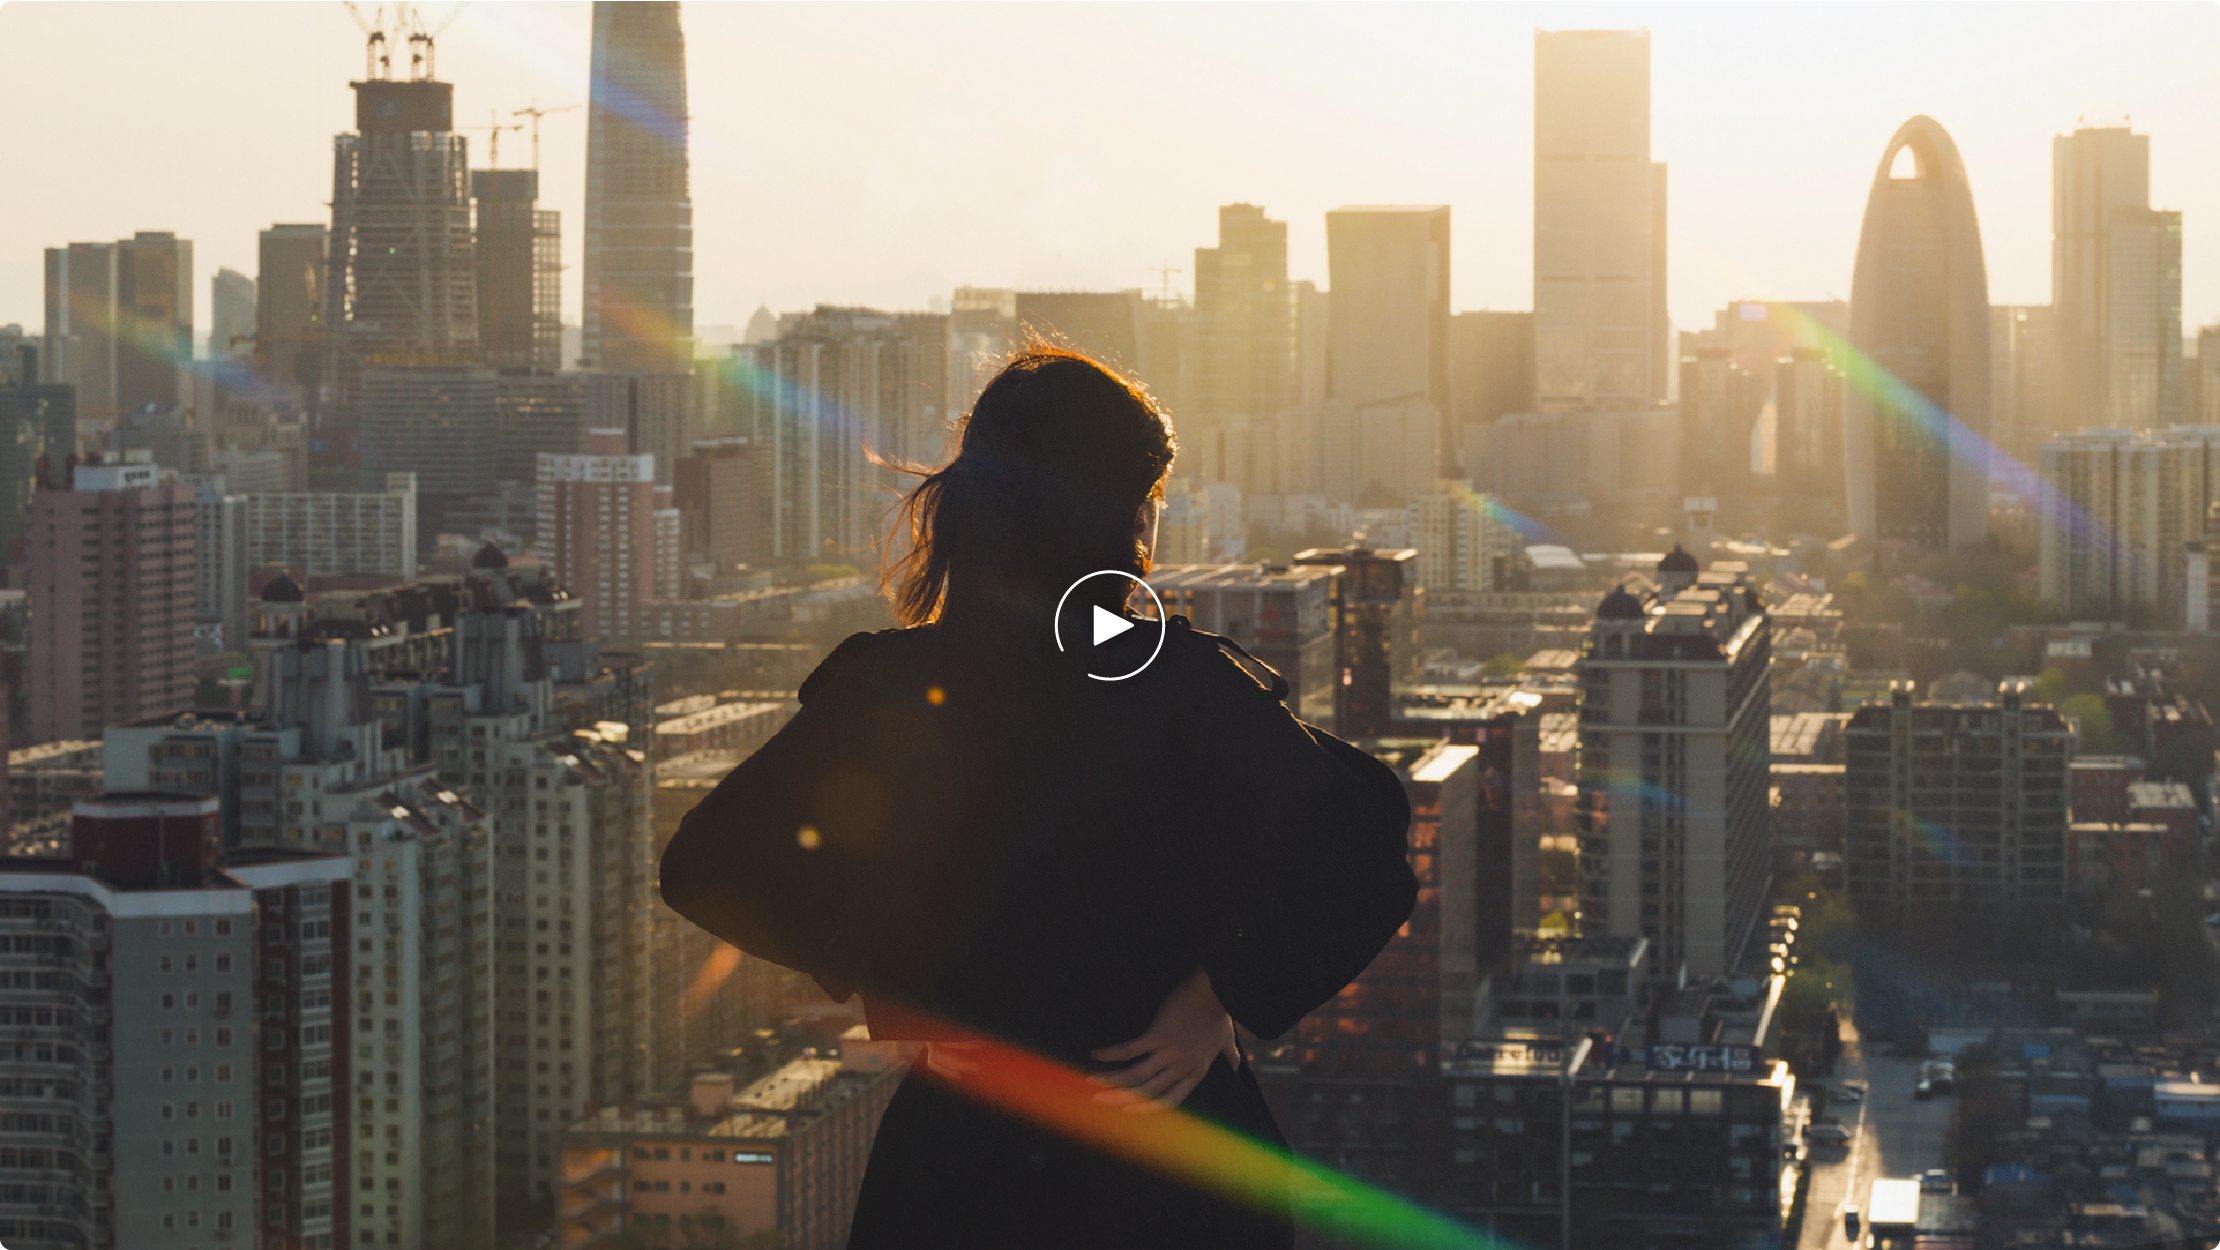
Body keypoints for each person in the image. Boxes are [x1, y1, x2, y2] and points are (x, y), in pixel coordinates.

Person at [658, 347, 1417, 1249]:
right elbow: (1368, 840)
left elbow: (709, 862)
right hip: (1171, 1158)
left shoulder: (891, 690)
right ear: (1123, 514)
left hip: (965, 1168)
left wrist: (896, 981)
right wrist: (1220, 995)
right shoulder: (1184, 688)